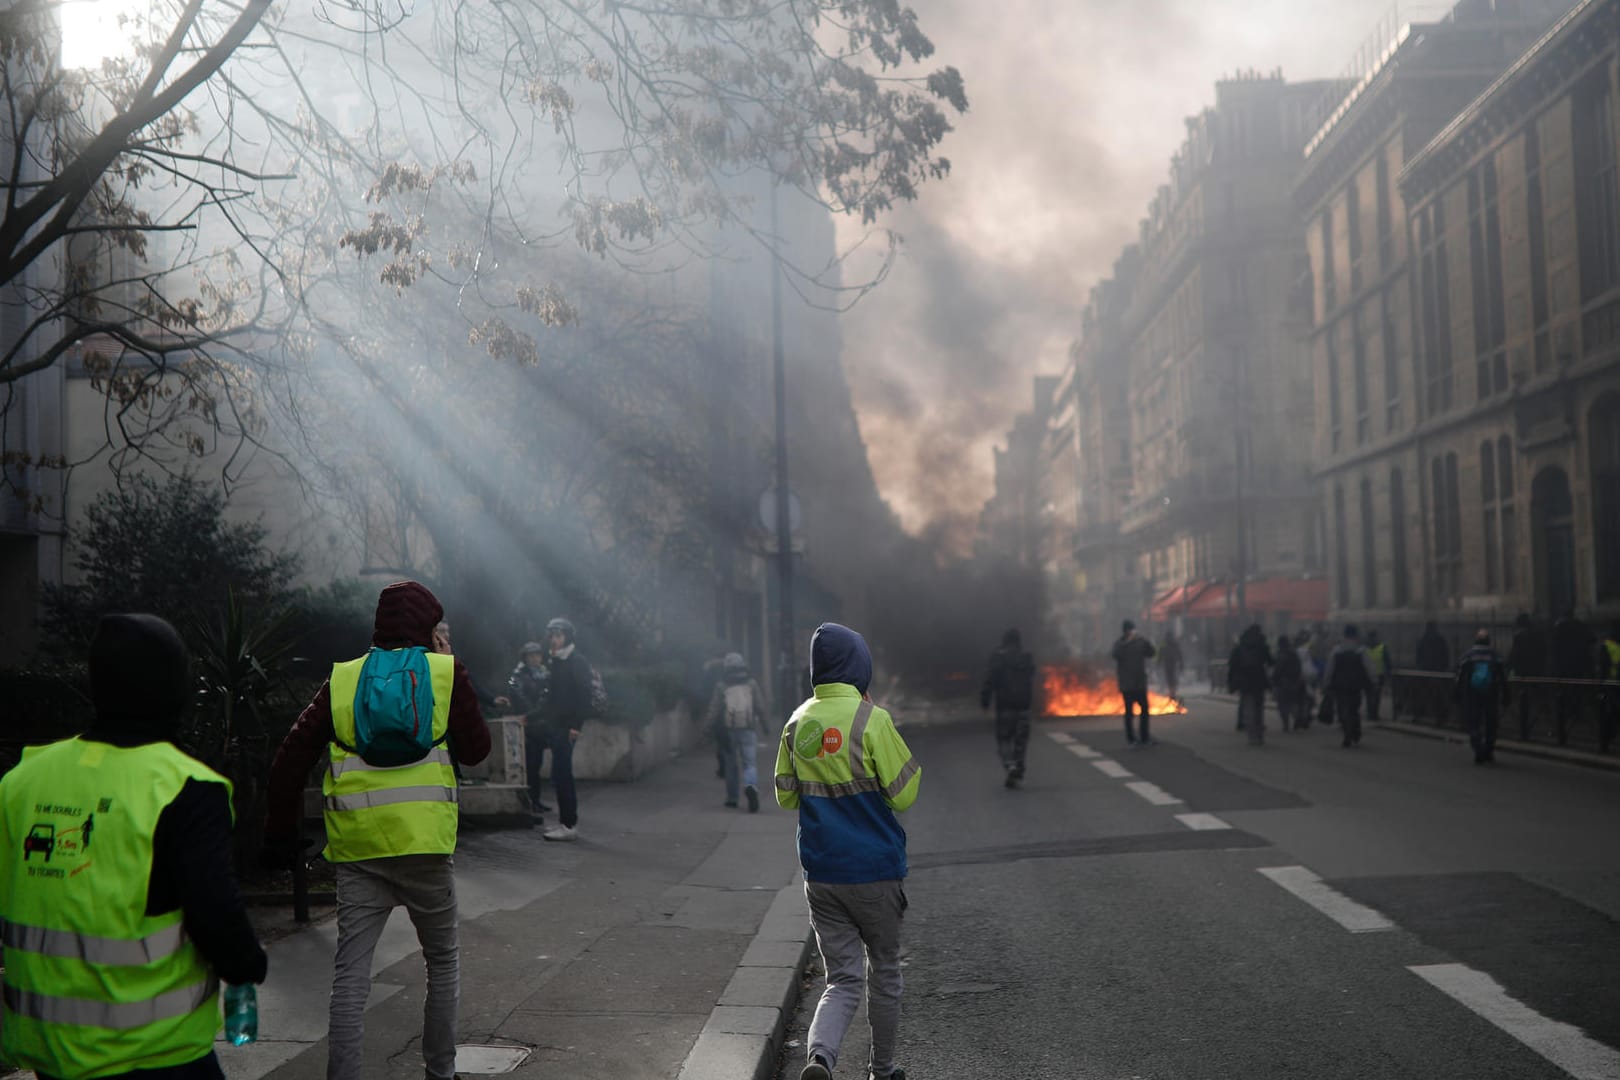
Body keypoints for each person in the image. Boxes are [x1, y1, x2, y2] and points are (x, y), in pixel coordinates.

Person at [0, 614, 268, 1080]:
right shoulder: (185, 788)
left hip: (50, 1050)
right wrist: (248, 962)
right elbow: (216, 917)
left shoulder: (22, 781)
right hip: (154, 1053)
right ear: (176, 689)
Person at [264, 580, 491, 1080]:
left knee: (351, 975)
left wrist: (281, 835)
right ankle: (440, 1072)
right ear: (428, 629)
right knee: (442, 963)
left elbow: (290, 758)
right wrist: (449, 661)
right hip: (426, 846)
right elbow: (476, 750)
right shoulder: (445, 673)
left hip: (359, 847)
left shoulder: (343, 680)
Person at [775, 623, 920, 1080]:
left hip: (822, 876)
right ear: (860, 668)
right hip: (875, 871)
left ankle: (820, 1059)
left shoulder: (797, 722)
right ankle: (882, 1069)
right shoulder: (870, 720)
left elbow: (785, 795)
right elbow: (905, 793)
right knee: (885, 973)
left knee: (840, 980)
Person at [538, 616, 593, 841]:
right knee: (559, 775)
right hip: (557, 726)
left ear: (567, 637)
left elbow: (584, 696)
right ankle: (566, 822)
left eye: (558, 635)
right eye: (551, 635)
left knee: (562, 775)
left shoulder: (575, 661)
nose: (553, 640)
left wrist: (576, 726)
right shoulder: (558, 661)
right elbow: (552, 698)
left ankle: (568, 824)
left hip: (567, 728)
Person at [707, 652, 767, 810]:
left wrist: (707, 728)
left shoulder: (722, 685)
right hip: (748, 729)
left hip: (729, 731)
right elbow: (760, 706)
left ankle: (732, 798)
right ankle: (751, 785)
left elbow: (714, 709)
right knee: (749, 763)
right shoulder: (752, 684)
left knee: (731, 765)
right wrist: (765, 725)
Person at [980, 627, 1036, 787]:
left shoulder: (998, 659)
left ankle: (1010, 764)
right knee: (1021, 740)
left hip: (1005, 707)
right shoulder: (1027, 658)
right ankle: (1018, 765)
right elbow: (1032, 675)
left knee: (1004, 739)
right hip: (1024, 706)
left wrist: (985, 701)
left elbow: (989, 681)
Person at [507, 641, 553, 820]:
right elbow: (518, 696)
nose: (535, 658)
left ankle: (536, 800)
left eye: (538, 654)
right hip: (527, 724)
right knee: (530, 765)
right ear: (525, 657)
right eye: (531, 655)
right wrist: (532, 713)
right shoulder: (519, 675)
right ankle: (530, 801)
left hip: (539, 725)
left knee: (537, 764)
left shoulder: (543, 674)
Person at [1455, 629, 1510, 764]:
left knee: (1474, 722)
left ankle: (1478, 748)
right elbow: (1503, 676)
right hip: (1491, 692)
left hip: (1473, 692)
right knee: (1491, 722)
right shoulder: (1495, 655)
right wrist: (1506, 693)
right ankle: (1488, 750)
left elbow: (1460, 675)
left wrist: (1457, 692)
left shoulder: (1469, 655)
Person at [1323, 624, 1376, 748]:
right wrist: (1374, 681)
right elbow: (1370, 667)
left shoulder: (1337, 650)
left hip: (1340, 685)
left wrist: (1326, 683)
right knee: (1354, 709)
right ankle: (1355, 732)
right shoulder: (1361, 650)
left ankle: (1347, 731)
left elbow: (1329, 669)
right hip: (1355, 685)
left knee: (1342, 709)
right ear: (1356, 635)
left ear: (1344, 635)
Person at [1551, 610, 1595, 746]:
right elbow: (1592, 638)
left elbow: (1554, 646)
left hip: (1564, 664)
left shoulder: (1559, 627)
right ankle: (1577, 710)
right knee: (1577, 686)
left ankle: (1567, 713)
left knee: (1564, 689)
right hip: (1579, 662)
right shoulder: (1579, 625)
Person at [1111, 620, 1157, 747]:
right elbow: (1115, 655)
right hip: (1127, 685)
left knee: (1144, 711)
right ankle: (1131, 739)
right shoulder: (1120, 644)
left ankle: (1144, 738)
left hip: (1139, 684)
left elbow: (1151, 653)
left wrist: (1146, 640)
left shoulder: (1141, 642)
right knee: (1129, 713)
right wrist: (1126, 643)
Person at [1226, 624, 1273, 745]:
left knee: (1249, 707)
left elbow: (1232, 665)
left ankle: (1251, 735)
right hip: (1259, 680)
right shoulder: (1262, 646)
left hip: (1245, 681)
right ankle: (1259, 734)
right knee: (1259, 708)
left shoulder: (1240, 647)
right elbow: (1271, 662)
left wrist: (1231, 682)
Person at [1507, 613, 1546, 740]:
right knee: (1537, 693)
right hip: (1537, 668)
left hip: (1523, 670)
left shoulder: (1519, 636)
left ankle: (1526, 725)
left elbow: (1514, 654)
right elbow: (1543, 651)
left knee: (1523, 696)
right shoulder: (1538, 634)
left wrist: (1509, 666)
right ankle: (1543, 717)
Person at [1272, 632, 1306, 733]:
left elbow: (1277, 669)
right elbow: (1299, 667)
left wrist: (1274, 679)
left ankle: (1286, 724)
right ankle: (1298, 717)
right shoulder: (1294, 653)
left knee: (1282, 705)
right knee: (1292, 702)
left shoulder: (1280, 654)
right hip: (1294, 681)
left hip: (1283, 682)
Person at [1598, 623, 1620, 754]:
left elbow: (1603, 666)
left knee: (1609, 713)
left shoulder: (1606, 646)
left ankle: (1605, 741)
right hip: (1613, 684)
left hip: (1609, 683)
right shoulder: (1611, 646)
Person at [1365, 629, 1389, 721]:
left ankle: (1371, 713)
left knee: (1370, 696)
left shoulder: (1365, 649)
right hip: (1378, 675)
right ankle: (1373, 714)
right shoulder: (1382, 648)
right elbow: (1387, 662)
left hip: (1370, 676)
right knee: (1375, 696)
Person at [1160, 629, 1185, 703]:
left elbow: (1161, 654)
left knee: (1170, 680)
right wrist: (1181, 664)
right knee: (1172, 680)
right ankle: (1172, 693)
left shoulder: (1165, 643)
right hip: (1173, 663)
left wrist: (1158, 662)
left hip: (1169, 664)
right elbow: (1179, 654)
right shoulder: (1174, 643)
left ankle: (1172, 693)